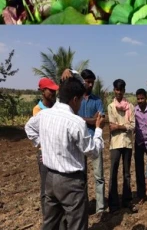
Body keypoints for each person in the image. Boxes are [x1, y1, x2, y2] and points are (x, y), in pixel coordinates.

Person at [25, 78, 105, 230]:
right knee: (76, 224)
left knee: (50, 222)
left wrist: (43, 144)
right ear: (75, 99)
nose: (81, 104)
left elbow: (29, 128)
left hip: (49, 178)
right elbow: (93, 152)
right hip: (71, 182)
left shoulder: (44, 115)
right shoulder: (75, 122)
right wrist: (99, 129)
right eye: (81, 100)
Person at [75, 69, 108, 222]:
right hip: (79, 142)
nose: (90, 85)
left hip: (95, 140)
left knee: (99, 176)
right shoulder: (76, 100)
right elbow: (91, 120)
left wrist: (80, 118)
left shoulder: (97, 100)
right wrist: (90, 120)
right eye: (87, 82)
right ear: (82, 81)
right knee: (81, 177)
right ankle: (85, 205)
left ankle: (100, 208)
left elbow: (100, 120)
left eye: (92, 82)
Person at [107, 78, 138, 214]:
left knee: (126, 174)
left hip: (127, 143)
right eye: (117, 89)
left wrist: (119, 126)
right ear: (114, 90)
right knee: (113, 173)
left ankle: (127, 200)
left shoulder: (130, 107)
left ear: (124, 90)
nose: (119, 92)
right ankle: (113, 204)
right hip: (115, 144)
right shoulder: (110, 106)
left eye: (121, 90)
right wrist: (123, 127)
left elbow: (132, 125)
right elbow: (111, 126)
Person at [32, 78, 59, 216]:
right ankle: (47, 217)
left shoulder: (56, 107)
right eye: (50, 90)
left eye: (54, 90)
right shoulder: (38, 110)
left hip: (57, 153)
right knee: (45, 189)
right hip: (45, 154)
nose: (53, 92)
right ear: (43, 91)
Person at [133, 88, 147, 206]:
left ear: (146, 98)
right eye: (138, 98)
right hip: (139, 143)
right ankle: (141, 195)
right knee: (139, 169)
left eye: (142, 98)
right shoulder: (134, 110)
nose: (140, 100)